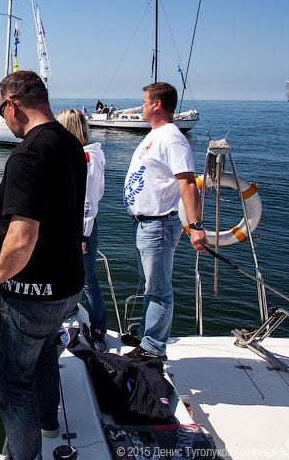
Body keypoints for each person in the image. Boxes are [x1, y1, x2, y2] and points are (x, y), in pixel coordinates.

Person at [0, 71, 86, 459]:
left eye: (2, 109)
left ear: (14, 104)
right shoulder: (69, 144)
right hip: (66, 287)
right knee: (44, 357)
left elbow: (23, 238)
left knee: (12, 383)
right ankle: (49, 421)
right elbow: (54, 205)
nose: (3, 118)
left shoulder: (27, 154)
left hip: (29, 294)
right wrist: (1, 210)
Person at [123, 82, 206, 362]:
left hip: (158, 225)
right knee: (151, 287)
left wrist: (195, 226)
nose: (142, 105)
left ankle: (153, 348)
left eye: (145, 101)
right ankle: (147, 336)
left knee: (158, 290)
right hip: (145, 224)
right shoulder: (156, 136)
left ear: (157, 104)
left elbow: (187, 183)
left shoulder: (172, 138)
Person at [56, 108, 107, 352]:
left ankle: (98, 329)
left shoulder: (87, 158)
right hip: (72, 226)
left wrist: (83, 234)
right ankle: (72, 312)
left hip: (80, 228)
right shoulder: (78, 155)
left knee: (88, 280)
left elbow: (88, 200)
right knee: (72, 275)